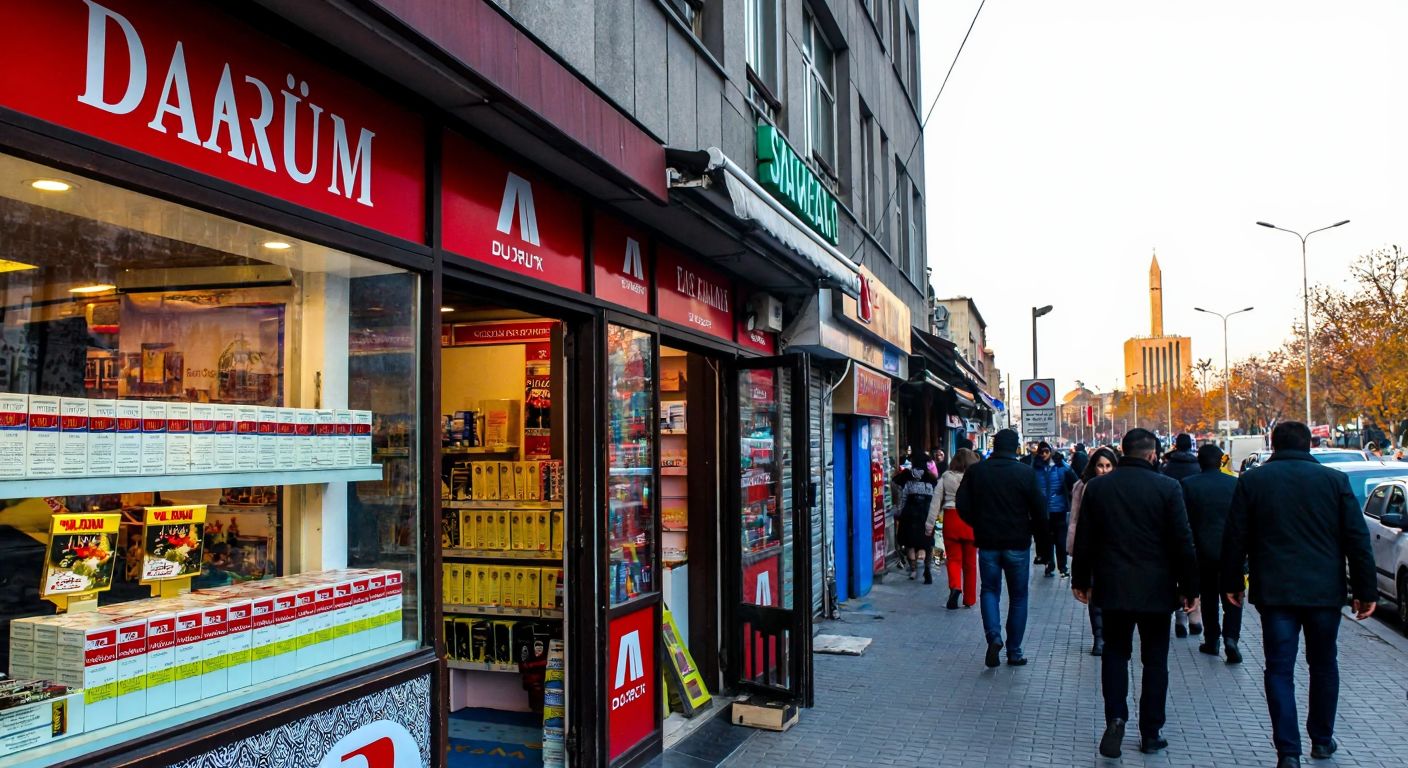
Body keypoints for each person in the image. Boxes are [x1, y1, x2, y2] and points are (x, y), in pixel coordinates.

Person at [1221, 421, 1377, 768]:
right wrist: (1365, 590)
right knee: (1323, 665)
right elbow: (1357, 539)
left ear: (1273, 444)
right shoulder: (1334, 482)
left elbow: (1235, 538)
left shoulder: (1253, 481)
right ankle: (1321, 740)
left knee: (1279, 669)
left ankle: (1288, 751)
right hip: (1324, 592)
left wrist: (1232, 582)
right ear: (1309, 445)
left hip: (1275, 593)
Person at [1072, 428, 1199, 759]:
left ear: (1123, 451)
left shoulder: (1098, 488)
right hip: (1157, 591)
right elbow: (1182, 541)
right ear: (1152, 454)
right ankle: (1151, 731)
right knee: (1155, 661)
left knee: (1115, 655)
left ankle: (1115, 719)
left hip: (1113, 587)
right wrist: (1190, 588)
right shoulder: (1168, 488)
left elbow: (1085, 537)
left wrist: (1080, 579)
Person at [955, 428, 1045, 668]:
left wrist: (979, 523)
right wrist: (1039, 540)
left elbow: (961, 504)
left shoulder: (977, 471)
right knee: (1018, 596)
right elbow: (1039, 510)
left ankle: (993, 637)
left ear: (994, 446)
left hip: (988, 543)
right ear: (1015, 448)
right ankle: (1014, 651)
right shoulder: (1025, 473)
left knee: (990, 591)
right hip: (1017, 543)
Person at [1181, 444, 1242, 663]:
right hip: (1231, 552)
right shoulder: (1235, 484)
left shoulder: (1188, 485)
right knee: (1233, 596)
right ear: (1221, 461)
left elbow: (1184, 521)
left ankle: (1212, 639)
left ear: (1200, 461)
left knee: (1208, 598)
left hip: (1202, 552)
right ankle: (1232, 638)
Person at [1067, 446, 1118, 655]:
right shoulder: (1082, 486)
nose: (1104, 470)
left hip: (1115, 547)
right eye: (1100, 466)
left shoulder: (1119, 487)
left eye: (1108, 466)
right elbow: (1076, 519)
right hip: (1093, 547)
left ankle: (1111, 634)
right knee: (1094, 593)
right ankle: (1099, 637)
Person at [937, 448, 981, 610]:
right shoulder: (976, 478)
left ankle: (955, 587)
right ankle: (969, 599)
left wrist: (929, 525)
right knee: (970, 563)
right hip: (970, 521)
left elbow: (936, 501)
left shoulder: (946, 477)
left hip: (951, 519)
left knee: (954, 559)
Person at [893, 453, 939, 583]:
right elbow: (935, 498)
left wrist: (898, 512)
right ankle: (927, 568)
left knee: (909, 543)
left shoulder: (906, 476)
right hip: (926, 514)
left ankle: (913, 570)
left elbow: (902, 496)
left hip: (910, 514)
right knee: (927, 543)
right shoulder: (931, 478)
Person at [1033, 442, 1077, 577]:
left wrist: (1061, 462)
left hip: (1059, 509)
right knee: (1046, 539)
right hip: (1043, 510)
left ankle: (1062, 566)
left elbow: (1073, 481)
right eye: (1041, 452)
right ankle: (1049, 563)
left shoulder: (1060, 467)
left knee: (1060, 540)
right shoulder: (1036, 467)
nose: (1044, 455)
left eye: (1046, 451)